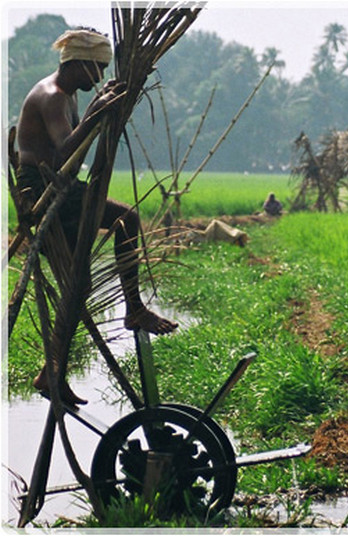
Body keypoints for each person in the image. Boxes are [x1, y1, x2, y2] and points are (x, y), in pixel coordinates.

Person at [15, 28, 178, 405]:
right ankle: (134, 309)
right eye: (97, 70)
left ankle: (51, 372)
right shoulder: (54, 97)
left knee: (79, 285)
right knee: (128, 220)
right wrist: (95, 114)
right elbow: (60, 158)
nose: (99, 78)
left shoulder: (68, 95)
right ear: (79, 63)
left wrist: (95, 111)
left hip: (62, 187)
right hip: (45, 188)